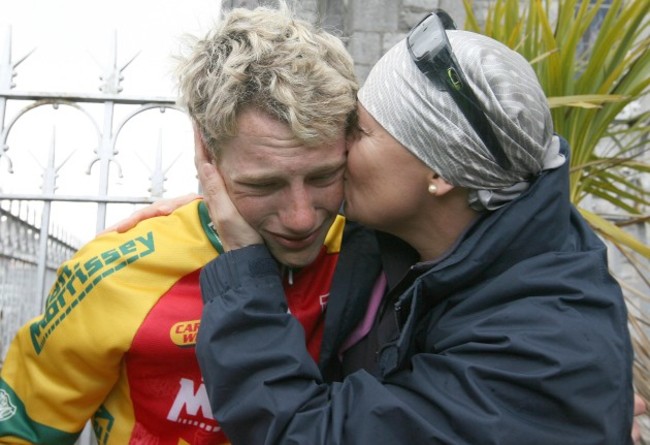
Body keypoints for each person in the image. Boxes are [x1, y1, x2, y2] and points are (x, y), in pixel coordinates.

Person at [193, 10, 637, 444]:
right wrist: (232, 198)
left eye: (363, 132)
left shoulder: (541, 355)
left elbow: (305, 431)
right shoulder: (466, 228)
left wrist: (243, 270)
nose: (344, 147)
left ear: (440, 175)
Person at [0, 4, 382, 444]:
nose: (300, 217)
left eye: (323, 177)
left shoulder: (379, 250)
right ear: (207, 153)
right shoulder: (115, 272)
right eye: (263, 185)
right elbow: (22, 432)